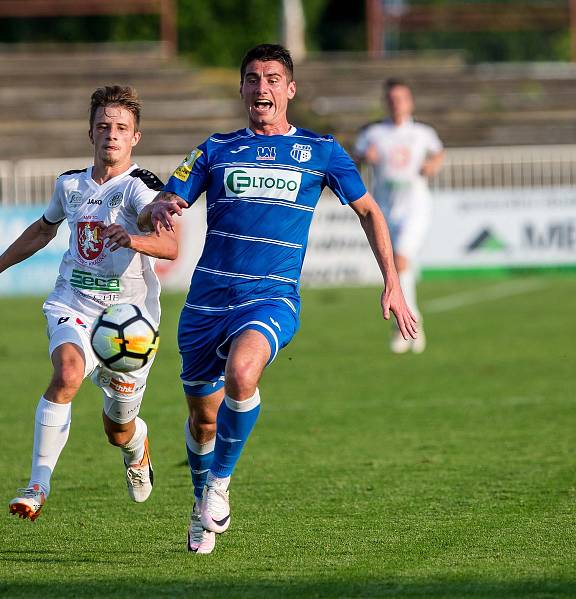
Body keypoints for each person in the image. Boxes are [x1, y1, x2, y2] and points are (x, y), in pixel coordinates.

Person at [138, 44, 417, 554]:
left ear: (290, 89)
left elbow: (370, 211)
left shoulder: (322, 151)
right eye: (251, 79)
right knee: (203, 418)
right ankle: (202, 499)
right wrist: (159, 206)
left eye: (271, 79)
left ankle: (219, 484)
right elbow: (171, 198)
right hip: (205, 302)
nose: (261, 88)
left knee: (243, 374)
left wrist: (392, 282)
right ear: (241, 88)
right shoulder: (215, 148)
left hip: (271, 297)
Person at [0, 85, 177, 521]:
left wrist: (136, 236)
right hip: (74, 302)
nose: (112, 135)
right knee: (66, 375)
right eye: (104, 126)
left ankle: (137, 446)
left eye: (122, 128)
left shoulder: (140, 187)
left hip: (129, 321)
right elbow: (45, 229)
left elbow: (170, 245)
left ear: (135, 137)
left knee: (117, 429)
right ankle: (37, 486)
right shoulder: (69, 184)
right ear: (90, 133)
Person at [353, 78, 444, 353]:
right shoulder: (374, 134)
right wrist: (364, 157)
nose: (397, 104)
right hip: (384, 209)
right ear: (386, 103)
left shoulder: (422, 133)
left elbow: (438, 154)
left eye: (401, 98)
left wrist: (432, 165)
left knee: (400, 262)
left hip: (416, 208)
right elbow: (352, 160)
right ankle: (410, 323)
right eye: (391, 99)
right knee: (397, 266)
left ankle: (407, 323)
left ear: (410, 102)